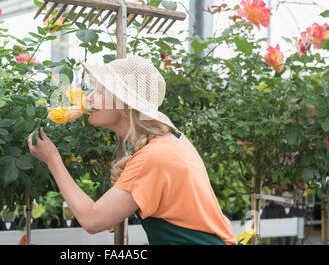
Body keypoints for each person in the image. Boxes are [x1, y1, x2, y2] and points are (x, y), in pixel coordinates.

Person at [28, 55, 237, 245]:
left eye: (100, 91)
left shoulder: (152, 156)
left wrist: (53, 159)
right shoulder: (172, 139)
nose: (90, 97)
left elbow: (92, 220)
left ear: (124, 104)